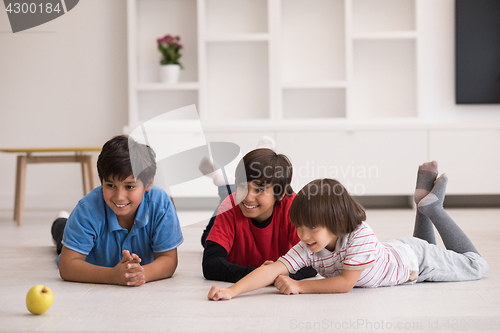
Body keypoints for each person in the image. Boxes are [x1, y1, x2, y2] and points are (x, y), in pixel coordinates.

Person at [208, 161, 489, 300]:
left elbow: (344, 284)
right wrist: (232, 292)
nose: (303, 236)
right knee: (421, 243)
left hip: (417, 263)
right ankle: (422, 203)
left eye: (312, 228)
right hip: (399, 250)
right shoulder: (309, 243)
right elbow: (272, 269)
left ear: (337, 222)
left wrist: (299, 285)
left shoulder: (360, 235)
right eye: (299, 228)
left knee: (477, 266)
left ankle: (432, 208)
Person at [51, 135, 183, 287]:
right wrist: (113, 276)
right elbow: (68, 266)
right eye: (111, 185)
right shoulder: (87, 209)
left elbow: (169, 260)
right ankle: (61, 222)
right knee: (62, 238)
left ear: (148, 182)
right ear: (101, 182)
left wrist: (138, 274)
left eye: (130, 186)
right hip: (89, 253)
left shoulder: (160, 204)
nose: (119, 197)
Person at [202, 148, 317, 283]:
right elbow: (211, 264)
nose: (248, 197)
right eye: (243, 187)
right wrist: (264, 275)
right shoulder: (230, 205)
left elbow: (314, 262)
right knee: (206, 238)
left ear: (280, 194)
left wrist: (266, 275)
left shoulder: (294, 208)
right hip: (231, 207)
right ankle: (224, 185)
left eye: (259, 189)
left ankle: (223, 182)